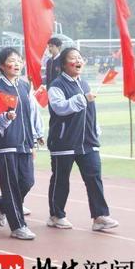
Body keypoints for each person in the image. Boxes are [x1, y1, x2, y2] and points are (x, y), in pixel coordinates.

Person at [46, 47, 119, 231]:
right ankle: (56, 215)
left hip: (88, 142)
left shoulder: (84, 84)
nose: (78, 61)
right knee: (61, 178)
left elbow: (90, 112)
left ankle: (99, 216)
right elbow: (60, 108)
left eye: (80, 57)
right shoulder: (56, 86)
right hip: (65, 142)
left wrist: (95, 130)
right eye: (73, 58)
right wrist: (82, 99)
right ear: (63, 64)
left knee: (94, 177)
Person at [0, 48, 44, 240]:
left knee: (27, 181)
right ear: (2, 66)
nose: (18, 64)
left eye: (19, 60)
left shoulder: (24, 87)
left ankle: (2, 204)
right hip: (6, 143)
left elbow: (33, 113)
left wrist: (35, 137)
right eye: (12, 61)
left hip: (25, 142)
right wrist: (6, 117)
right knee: (11, 185)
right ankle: (18, 226)